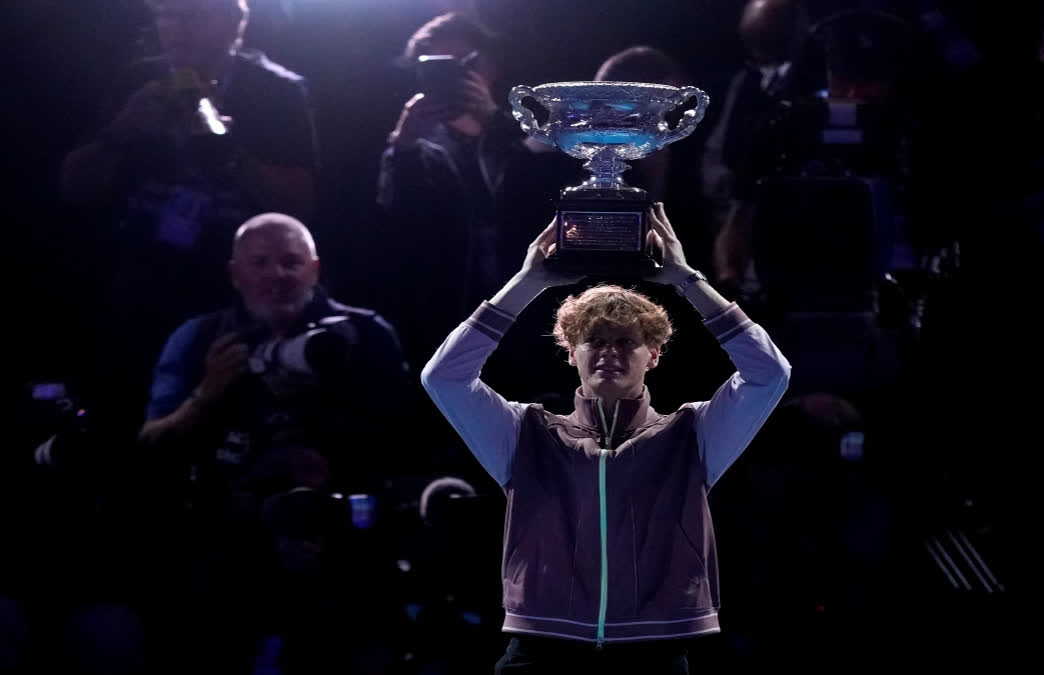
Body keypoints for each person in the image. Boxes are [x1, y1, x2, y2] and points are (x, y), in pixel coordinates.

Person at [421, 204, 791, 672]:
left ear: (653, 355)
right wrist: (528, 283)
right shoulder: (526, 432)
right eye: (595, 340)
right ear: (570, 353)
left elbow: (769, 374)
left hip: (653, 652)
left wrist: (686, 280)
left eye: (626, 341)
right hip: (541, 648)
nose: (609, 353)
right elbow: (444, 378)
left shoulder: (690, 433)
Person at [139, 213, 410, 674]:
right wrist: (207, 395)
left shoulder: (362, 335)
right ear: (235, 273)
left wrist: (327, 406)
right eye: (260, 263)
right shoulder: (201, 339)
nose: (276, 276)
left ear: (314, 269)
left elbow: (410, 440)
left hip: (345, 547)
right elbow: (150, 450)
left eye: (290, 262)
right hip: (229, 553)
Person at [59, 0, 319, 436]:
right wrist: (122, 130)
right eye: (164, 14)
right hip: (140, 288)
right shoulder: (139, 79)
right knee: (123, 421)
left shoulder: (275, 89)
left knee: (222, 427)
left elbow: (301, 203)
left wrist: (227, 149)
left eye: (191, 14)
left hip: (230, 296)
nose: (175, 28)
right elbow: (71, 187)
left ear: (235, 20)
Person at [376, 11, 524, 360]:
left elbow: (534, 192)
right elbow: (395, 216)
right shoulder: (415, 146)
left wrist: (492, 122)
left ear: (491, 68)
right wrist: (405, 144)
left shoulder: (522, 133)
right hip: (442, 314)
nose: (456, 75)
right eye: (441, 66)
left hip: (519, 309)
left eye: (466, 64)